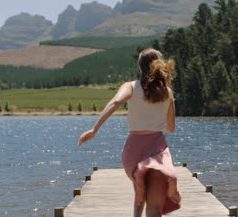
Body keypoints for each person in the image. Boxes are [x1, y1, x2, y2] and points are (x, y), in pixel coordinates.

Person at [77, 48, 181, 217]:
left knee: (139, 187)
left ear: (140, 67)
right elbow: (170, 128)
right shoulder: (167, 93)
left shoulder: (131, 87)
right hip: (157, 148)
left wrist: (94, 129)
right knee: (154, 209)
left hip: (134, 149)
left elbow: (116, 101)